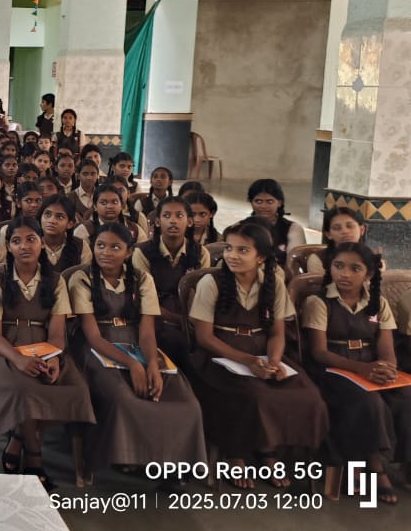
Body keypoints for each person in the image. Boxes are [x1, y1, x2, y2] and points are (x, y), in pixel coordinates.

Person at [187, 221, 327, 488]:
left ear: (260, 257)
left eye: (243, 250)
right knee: (254, 394)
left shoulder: (273, 283)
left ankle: (271, 450)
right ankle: (236, 454)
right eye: (229, 248)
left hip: (262, 351)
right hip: (220, 355)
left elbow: (277, 333)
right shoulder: (212, 281)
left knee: (307, 394)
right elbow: (204, 337)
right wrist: (249, 361)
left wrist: (272, 361)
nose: (232, 256)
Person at [0, 218, 95, 490]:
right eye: (16, 241)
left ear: (42, 243)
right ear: (8, 247)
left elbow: (57, 334)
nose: (24, 246)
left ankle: (18, 438)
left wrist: (55, 359)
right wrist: (19, 359)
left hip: (45, 347)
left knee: (75, 388)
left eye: (31, 239)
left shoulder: (55, 281)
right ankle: (35, 456)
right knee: (22, 388)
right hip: (4, 349)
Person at [69, 223, 206, 473]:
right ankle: (130, 457)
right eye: (100, 246)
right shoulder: (83, 278)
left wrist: (151, 363)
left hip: (136, 342)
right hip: (98, 345)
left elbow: (146, 331)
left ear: (129, 252)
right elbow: (93, 336)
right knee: (124, 395)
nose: (105, 253)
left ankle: (174, 462)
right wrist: (133, 364)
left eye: (115, 247)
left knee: (182, 398)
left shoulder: (142, 279)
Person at [302, 242, 410, 505]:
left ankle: (406, 463)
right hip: (334, 369)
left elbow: (386, 348)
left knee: (406, 399)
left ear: (369, 274)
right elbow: (319, 352)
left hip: (370, 367)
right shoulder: (319, 302)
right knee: (368, 402)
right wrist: (362, 369)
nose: (345, 274)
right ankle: (375, 466)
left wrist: (387, 369)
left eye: (355, 268)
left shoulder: (378, 303)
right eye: (338, 266)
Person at [130, 197, 210, 368]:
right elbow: (145, 298)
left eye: (179, 216)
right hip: (155, 313)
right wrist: (176, 320)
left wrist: (190, 321)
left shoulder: (200, 252)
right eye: (166, 216)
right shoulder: (143, 252)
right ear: (158, 222)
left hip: (189, 314)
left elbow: (201, 295)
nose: (173, 221)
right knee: (174, 341)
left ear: (189, 222)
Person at [245, 178, 306, 265]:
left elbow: (293, 262)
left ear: (279, 203)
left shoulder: (293, 229)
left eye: (269, 201)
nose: (263, 206)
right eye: (258, 201)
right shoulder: (241, 227)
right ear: (251, 202)